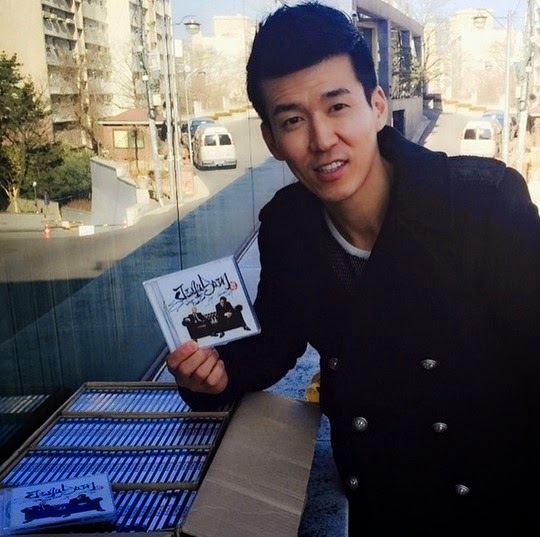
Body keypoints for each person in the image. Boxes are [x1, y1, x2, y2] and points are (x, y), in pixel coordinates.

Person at [166, 2, 540, 535]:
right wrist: (209, 374)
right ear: (272, 140)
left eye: (338, 106)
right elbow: (274, 346)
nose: (322, 140)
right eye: (293, 120)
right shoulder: (289, 228)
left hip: (494, 506)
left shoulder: (484, 206)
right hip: (377, 504)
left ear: (378, 106)